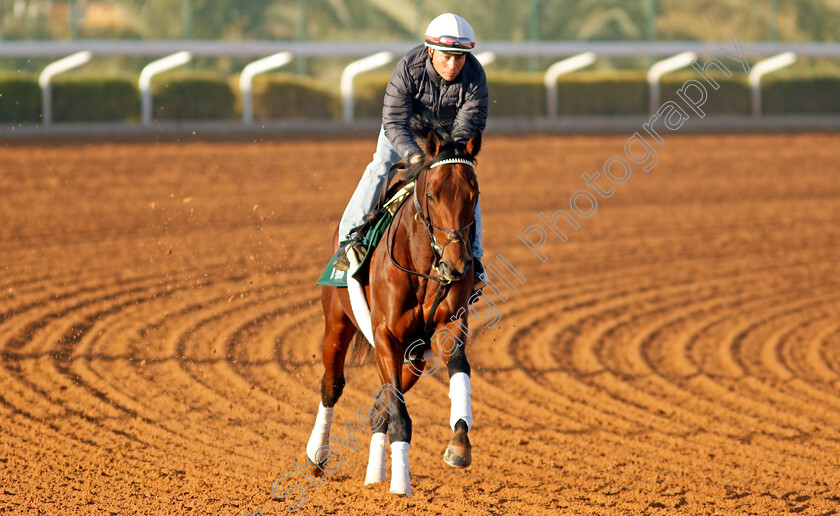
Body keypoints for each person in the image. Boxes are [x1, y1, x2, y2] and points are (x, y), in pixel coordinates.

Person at [333, 12, 488, 288]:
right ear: (430, 51)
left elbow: (468, 126)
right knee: (381, 164)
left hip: (448, 138)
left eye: (460, 57)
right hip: (406, 131)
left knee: (463, 181)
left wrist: (445, 157)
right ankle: (348, 240)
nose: (453, 65)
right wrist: (414, 156)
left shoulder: (475, 76)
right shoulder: (408, 67)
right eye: (446, 57)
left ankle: (474, 258)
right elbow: (393, 121)